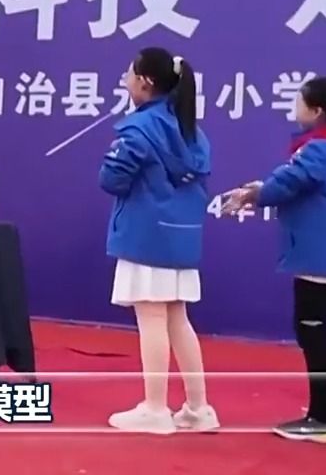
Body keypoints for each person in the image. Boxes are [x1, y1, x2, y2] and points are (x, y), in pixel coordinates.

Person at [222, 77, 326, 443]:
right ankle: (325, 412)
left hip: (322, 253)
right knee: (312, 331)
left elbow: (288, 182)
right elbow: (290, 179)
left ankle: (325, 416)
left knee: (313, 332)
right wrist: (259, 189)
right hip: (322, 251)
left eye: (299, 102)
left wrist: (254, 194)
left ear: (316, 110)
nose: (294, 108)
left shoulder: (319, 148)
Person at [98, 47, 217, 435]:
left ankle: (154, 408)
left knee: (151, 319)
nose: (124, 80)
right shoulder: (192, 131)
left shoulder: (140, 128)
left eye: (129, 74)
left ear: (145, 82)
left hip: (147, 235)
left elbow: (111, 178)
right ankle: (198, 409)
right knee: (177, 319)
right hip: (181, 238)